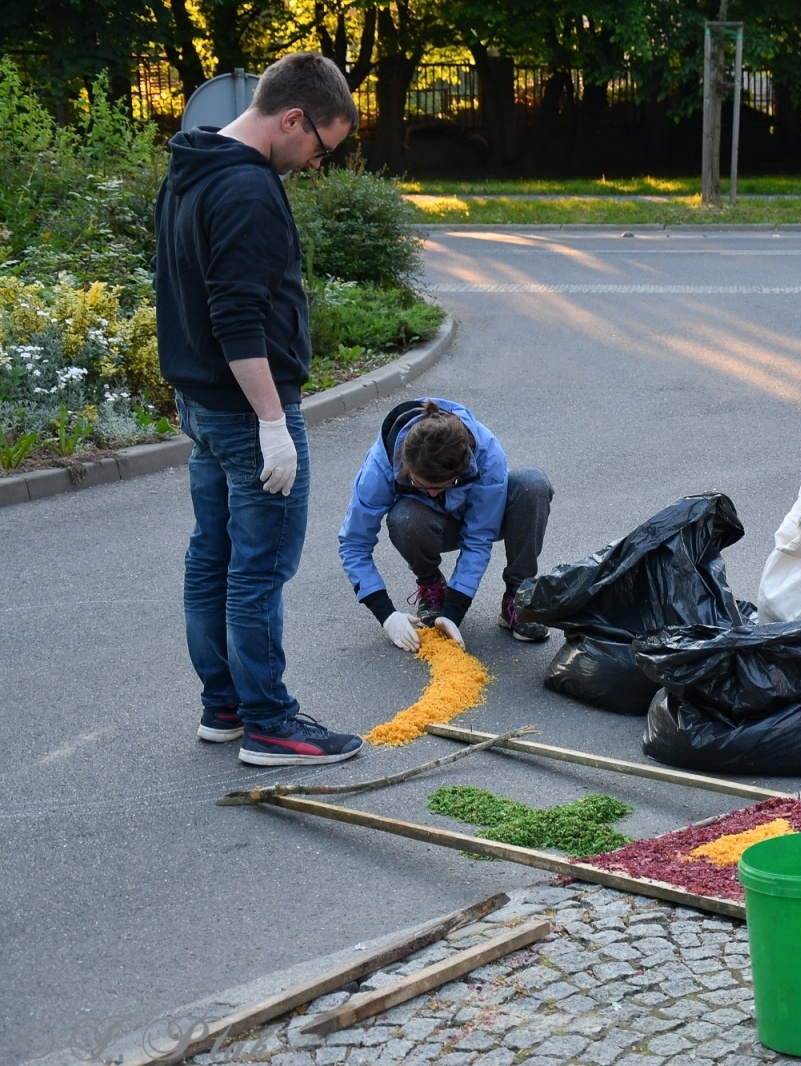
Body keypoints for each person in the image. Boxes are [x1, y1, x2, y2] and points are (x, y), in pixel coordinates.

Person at [156, 52, 364, 766]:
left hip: (204, 406)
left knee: (211, 555)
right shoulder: (246, 191)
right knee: (257, 568)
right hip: (248, 414)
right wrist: (273, 423)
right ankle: (271, 722)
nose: (314, 165)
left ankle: (226, 705)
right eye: (319, 148)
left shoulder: (193, 168)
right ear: (293, 118)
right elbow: (235, 316)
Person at [338, 398, 554, 651]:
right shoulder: (381, 465)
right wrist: (386, 614)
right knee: (404, 517)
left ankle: (518, 597)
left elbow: (478, 538)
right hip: (428, 524)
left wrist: (454, 612)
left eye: (441, 486)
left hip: (479, 516)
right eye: (421, 485)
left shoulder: (486, 452)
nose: (431, 493)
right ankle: (431, 586)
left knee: (531, 484)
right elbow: (354, 544)